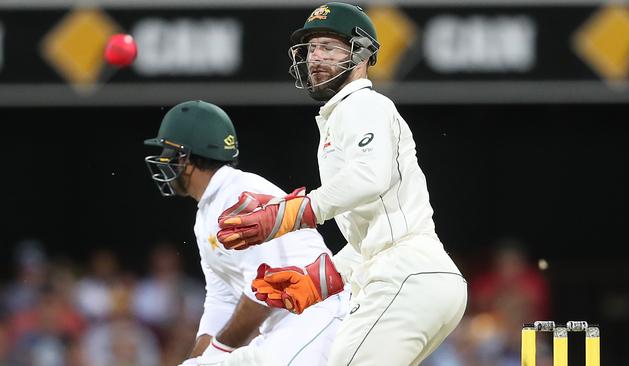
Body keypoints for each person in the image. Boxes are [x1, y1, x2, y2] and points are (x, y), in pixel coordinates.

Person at [216, 2, 468, 365]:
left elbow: (371, 177)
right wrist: (322, 278)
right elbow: (375, 235)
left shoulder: (363, 104)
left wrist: (291, 213)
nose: (316, 57)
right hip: (419, 279)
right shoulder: (343, 114)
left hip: (406, 277)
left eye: (330, 48)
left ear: (362, 55)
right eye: (312, 48)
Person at [143, 100, 346, 366]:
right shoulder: (208, 210)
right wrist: (197, 359)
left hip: (316, 316)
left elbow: (266, 294)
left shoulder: (238, 197)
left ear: (186, 158)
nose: (164, 161)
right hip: (285, 327)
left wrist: (215, 354)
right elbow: (221, 300)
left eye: (169, 152)